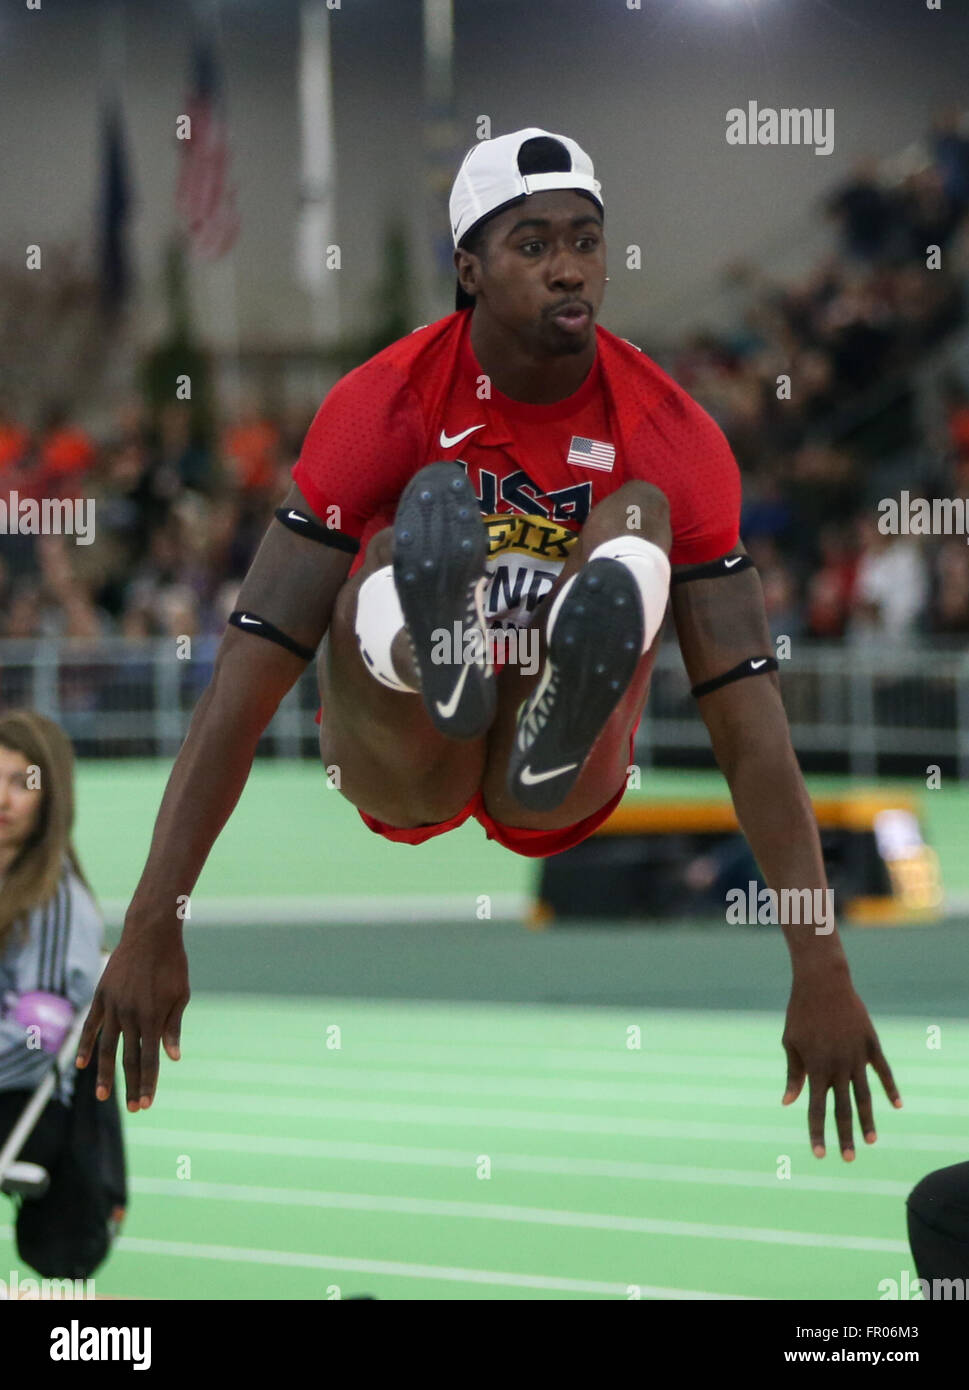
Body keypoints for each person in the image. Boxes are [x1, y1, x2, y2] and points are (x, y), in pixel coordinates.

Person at [78, 127, 901, 1164]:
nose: (569, 266)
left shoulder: (673, 430)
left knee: (639, 517)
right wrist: (157, 914)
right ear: (467, 267)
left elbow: (749, 718)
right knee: (388, 544)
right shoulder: (380, 407)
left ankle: (558, 660)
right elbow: (249, 670)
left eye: (587, 240)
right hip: (406, 755)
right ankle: (427, 644)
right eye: (533, 243)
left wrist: (818, 962)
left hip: (554, 777)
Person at [0, 711, 103, 1180]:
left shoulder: (57, 899)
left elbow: (38, 1038)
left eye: (22, 782)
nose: (2, 798)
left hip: (21, 1106)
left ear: (51, 797)